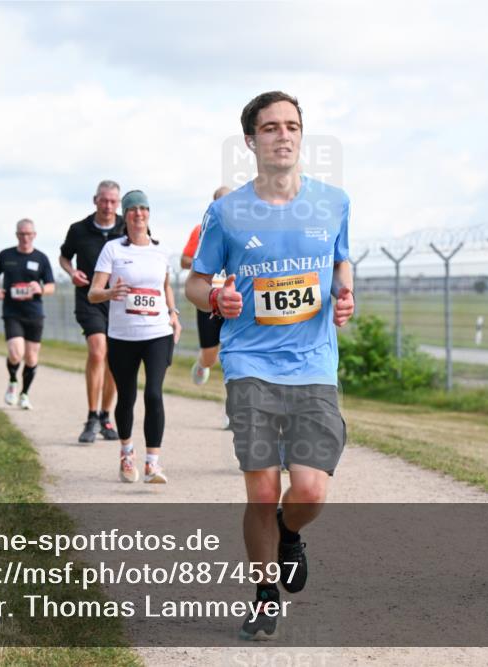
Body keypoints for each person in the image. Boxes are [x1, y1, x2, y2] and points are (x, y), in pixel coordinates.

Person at [185, 91, 354, 640]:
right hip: (249, 362)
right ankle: (263, 595)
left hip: (313, 364)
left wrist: (345, 293)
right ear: (250, 140)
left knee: (310, 490)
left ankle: (289, 532)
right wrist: (216, 298)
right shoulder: (226, 212)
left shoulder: (334, 202)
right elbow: (194, 282)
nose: (283, 135)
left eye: (292, 126)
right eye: (271, 127)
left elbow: (341, 262)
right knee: (260, 489)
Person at [89, 190, 181, 484]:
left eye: (143, 208)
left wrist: (173, 313)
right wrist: (110, 293)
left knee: (153, 393)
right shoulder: (113, 249)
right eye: (132, 209)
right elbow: (93, 293)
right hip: (122, 336)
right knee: (126, 396)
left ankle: (153, 463)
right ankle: (127, 453)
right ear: (125, 215)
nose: (138, 213)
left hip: (158, 333)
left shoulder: (161, 250)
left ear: (149, 213)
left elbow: (165, 287)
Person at [60, 180, 125, 443]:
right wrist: (71, 272)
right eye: (104, 200)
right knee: (98, 351)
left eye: (113, 201)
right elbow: (64, 256)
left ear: (118, 203)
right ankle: (91, 417)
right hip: (90, 298)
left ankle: (106, 417)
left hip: (119, 300)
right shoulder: (79, 229)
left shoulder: (126, 227)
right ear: (95, 200)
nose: (108, 206)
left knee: (115, 360)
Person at [0, 218, 55, 410]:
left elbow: (51, 286)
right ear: (16, 235)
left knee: (31, 357)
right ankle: (12, 381)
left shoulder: (41, 258)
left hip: (34, 312)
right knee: (15, 352)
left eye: (28, 234)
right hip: (12, 311)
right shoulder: (5, 255)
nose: (25, 237)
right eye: (21, 234)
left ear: (34, 235)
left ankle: (24, 394)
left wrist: (40, 289)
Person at [181, 187, 231, 415]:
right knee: (211, 356)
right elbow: (184, 260)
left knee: (234, 356)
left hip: (235, 300)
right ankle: (203, 364)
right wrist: (206, 259)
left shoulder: (244, 229)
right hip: (208, 298)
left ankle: (233, 410)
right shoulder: (202, 229)